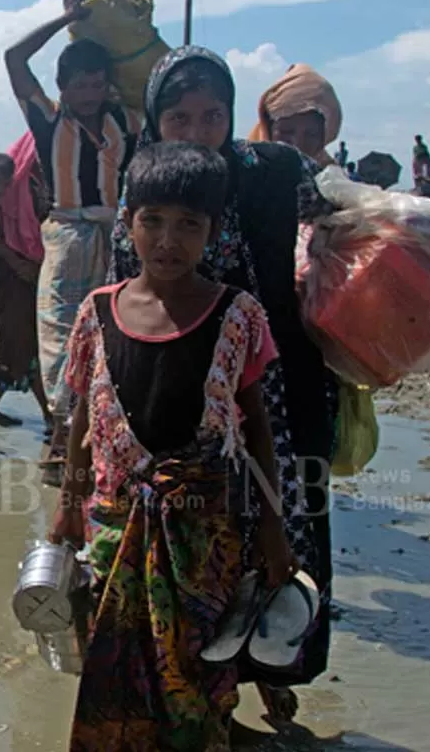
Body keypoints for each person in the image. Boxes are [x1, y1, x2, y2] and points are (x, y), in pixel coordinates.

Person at [111, 45, 337, 724]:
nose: (197, 131)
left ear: (233, 115)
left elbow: (337, 230)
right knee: (198, 537)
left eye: (212, 116)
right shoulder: (147, 183)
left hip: (279, 389)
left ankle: (273, 670)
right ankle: (206, 692)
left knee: (282, 533)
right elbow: (131, 293)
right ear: (156, 120)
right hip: (187, 388)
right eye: (179, 116)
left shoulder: (273, 169)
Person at [53, 140, 295, 752]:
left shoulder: (237, 316)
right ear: (129, 221)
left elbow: (257, 427)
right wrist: (67, 505)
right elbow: (83, 419)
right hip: (113, 520)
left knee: (198, 670)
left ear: (213, 232)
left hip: (203, 531)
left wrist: (272, 529)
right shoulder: (97, 313)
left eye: (189, 225)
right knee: (117, 665)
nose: (168, 239)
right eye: (153, 221)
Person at [4, 0, 142, 452]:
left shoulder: (124, 121)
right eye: (79, 85)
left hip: (115, 235)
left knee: (112, 333)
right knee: (60, 335)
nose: (88, 94)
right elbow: (14, 58)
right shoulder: (49, 120)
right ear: (63, 88)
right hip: (65, 234)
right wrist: (68, 20)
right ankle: (62, 431)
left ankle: (98, 434)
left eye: (96, 84)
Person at [0, 152, 54, 426]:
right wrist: (16, 261)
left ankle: (46, 414)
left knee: (24, 345)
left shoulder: (7, 202)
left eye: (4, 183)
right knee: (19, 344)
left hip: (8, 276)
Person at [248, 63, 342, 167]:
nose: (297, 144)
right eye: (286, 131)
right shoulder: (242, 173)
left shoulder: (331, 180)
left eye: (311, 135)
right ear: (268, 127)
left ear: (324, 138)